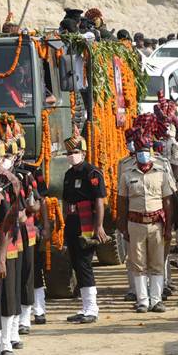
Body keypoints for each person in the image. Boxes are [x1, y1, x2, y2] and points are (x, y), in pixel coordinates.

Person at [117, 127, 175, 313]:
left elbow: (167, 201)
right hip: (135, 224)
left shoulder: (161, 172)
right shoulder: (127, 174)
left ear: (151, 152)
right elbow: (122, 202)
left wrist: (168, 228)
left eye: (146, 151)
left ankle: (156, 300)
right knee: (138, 263)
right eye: (140, 151)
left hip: (157, 223)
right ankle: (142, 300)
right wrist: (123, 227)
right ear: (135, 153)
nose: (143, 155)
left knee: (157, 263)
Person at [62, 135, 109, 324]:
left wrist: (99, 226)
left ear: (83, 153)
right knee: (75, 264)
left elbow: (99, 201)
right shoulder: (68, 174)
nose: (72, 156)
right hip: (72, 222)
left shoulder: (92, 173)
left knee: (84, 264)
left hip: (87, 221)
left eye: (75, 152)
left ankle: (92, 308)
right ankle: (84, 307)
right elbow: (66, 201)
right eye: (69, 153)